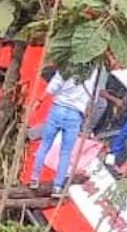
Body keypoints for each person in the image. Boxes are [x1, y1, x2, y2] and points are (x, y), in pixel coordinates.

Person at [29, 66, 111, 198]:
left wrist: (40, 100)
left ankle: (34, 179)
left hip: (58, 109)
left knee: (45, 145)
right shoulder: (95, 72)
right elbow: (94, 98)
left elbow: (54, 84)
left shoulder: (68, 66)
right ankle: (57, 187)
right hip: (75, 115)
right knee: (66, 153)